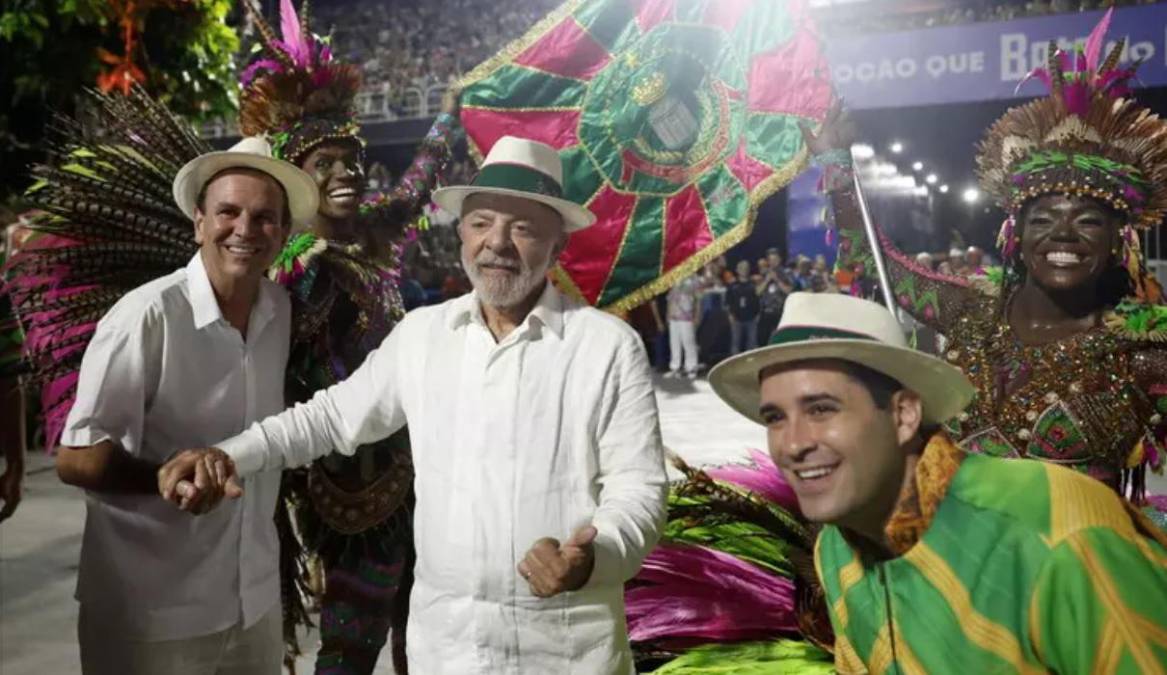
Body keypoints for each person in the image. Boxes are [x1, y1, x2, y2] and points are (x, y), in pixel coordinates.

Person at [158, 136, 668, 675]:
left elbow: (638, 489)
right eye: (481, 223)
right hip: (448, 652)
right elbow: (328, 418)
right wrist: (228, 455)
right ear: (461, 232)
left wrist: (592, 559)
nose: (497, 243)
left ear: (557, 245)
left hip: (565, 653)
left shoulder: (605, 347)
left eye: (522, 228)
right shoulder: (424, 335)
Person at [808, 12, 1166, 525]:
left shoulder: (1145, 351)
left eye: (1088, 221)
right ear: (1016, 234)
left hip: (1076, 570)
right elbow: (874, 262)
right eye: (1043, 219)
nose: (1063, 236)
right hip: (949, 558)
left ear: (1118, 240)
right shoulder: (970, 308)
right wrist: (837, 167)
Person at [710, 292, 1167, 674]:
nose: (793, 444)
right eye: (775, 418)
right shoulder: (835, 548)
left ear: (904, 415)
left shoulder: (1056, 529)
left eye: (821, 409)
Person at [238, 2, 463, 668]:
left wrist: (448, 115)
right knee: (353, 635)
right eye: (327, 163)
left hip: (418, 464)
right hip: (349, 486)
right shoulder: (292, 266)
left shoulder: (369, 234)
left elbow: (416, 187)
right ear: (296, 181)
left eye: (354, 160)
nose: (348, 173)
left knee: (424, 628)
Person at [53, 137, 316, 674]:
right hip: (152, 610)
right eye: (228, 212)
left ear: (284, 233)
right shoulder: (147, 316)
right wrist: (161, 477)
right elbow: (75, 457)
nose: (245, 229)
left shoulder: (280, 311)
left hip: (252, 603)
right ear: (199, 223)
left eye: (264, 217)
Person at [665, 273, 701, 378]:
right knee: (674, 343)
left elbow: (698, 299)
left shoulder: (694, 279)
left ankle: (691, 367)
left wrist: (697, 315)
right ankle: (675, 367)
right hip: (673, 316)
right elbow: (670, 297)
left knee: (688, 342)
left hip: (687, 316)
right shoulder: (674, 277)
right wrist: (668, 313)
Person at [725, 260, 760, 355]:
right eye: (741, 268)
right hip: (736, 318)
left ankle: (752, 362)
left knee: (752, 343)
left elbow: (758, 300)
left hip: (751, 318)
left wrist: (758, 314)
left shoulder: (753, 284)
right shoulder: (732, 285)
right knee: (735, 343)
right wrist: (730, 315)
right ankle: (735, 362)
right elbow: (728, 301)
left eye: (745, 268)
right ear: (737, 270)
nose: (743, 270)